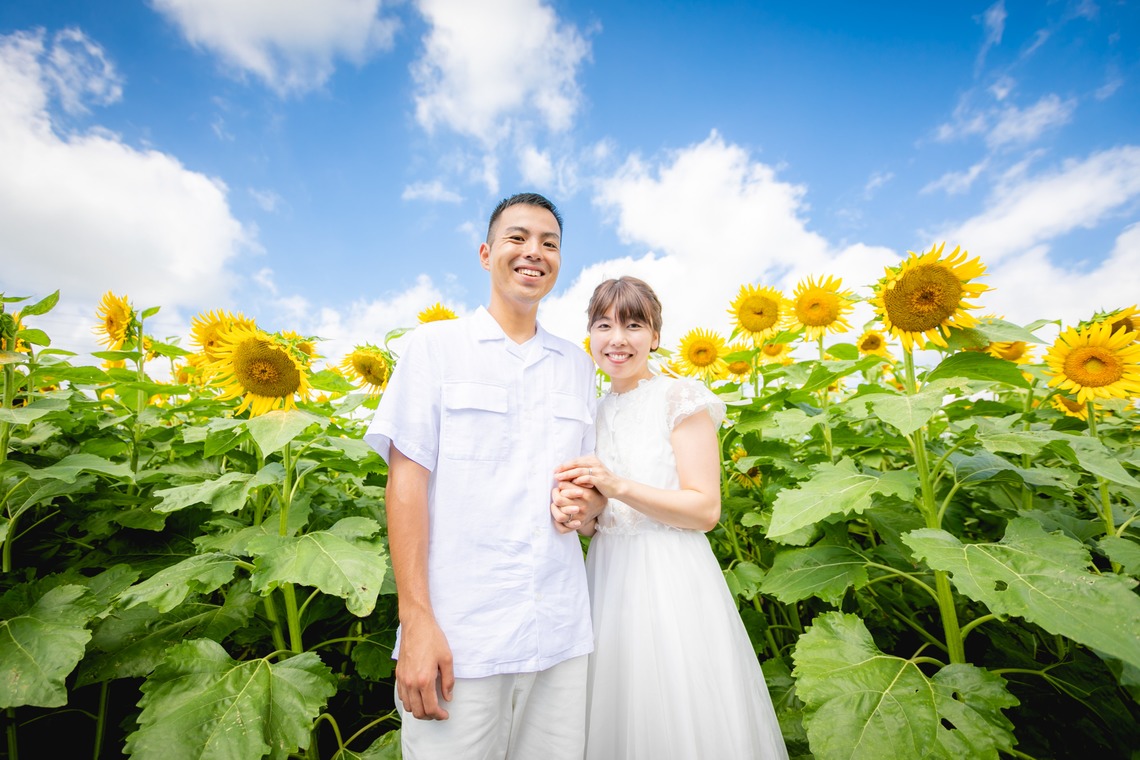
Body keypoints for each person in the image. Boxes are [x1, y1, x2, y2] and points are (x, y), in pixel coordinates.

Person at [364, 193, 604, 760]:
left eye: (550, 243)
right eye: (518, 238)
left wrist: (587, 507)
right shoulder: (433, 348)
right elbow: (405, 486)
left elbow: (590, 488)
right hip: (462, 636)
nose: (534, 253)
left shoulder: (578, 365)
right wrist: (416, 620)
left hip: (560, 635)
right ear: (485, 252)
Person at [552, 277, 789, 760]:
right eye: (604, 325)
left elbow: (705, 509)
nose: (617, 339)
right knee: (616, 707)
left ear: (655, 336)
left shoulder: (680, 398)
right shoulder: (589, 413)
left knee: (678, 710)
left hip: (672, 574)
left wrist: (617, 487)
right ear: (590, 336)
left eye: (633, 325)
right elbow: (602, 516)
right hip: (607, 576)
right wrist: (582, 515)